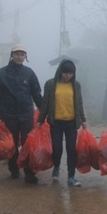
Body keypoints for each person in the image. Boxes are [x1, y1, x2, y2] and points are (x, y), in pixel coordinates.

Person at [0, 44, 43, 183]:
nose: (19, 57)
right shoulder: (2, 73)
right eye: (17, 54)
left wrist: (43, 109)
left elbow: (36, 93)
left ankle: (29, 172)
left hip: (26, 114)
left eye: (22, 54)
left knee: (27, 143)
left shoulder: (29, 73)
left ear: (25, 57)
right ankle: (13, 169)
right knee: (11, 143)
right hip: (8, 114)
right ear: (11, 56)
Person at [37, 59, 87, 187]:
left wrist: (83, 120)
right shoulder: (50, 84)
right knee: (57, 148)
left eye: (70, 73)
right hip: (56, 123)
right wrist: (40, 120)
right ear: (60, 71)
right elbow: (46, 103)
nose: (68, 76)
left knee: (71, 150)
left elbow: (79, 103)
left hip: (71, 123)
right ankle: (56, 166)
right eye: (65, 73)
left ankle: (71, 176)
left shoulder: (76, 85)